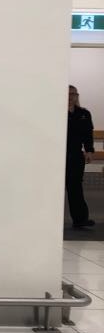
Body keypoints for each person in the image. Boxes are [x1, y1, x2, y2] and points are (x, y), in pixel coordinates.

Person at [66, 85, 95, 228]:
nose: (70, 96)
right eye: (68, 94)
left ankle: (80, 219)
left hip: (76, 155)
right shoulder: (56, 113)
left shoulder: (84, 114)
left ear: (77, 96)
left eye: (73, 94)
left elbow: (88, 134)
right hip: (59, 155)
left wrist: (89, 151)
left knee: (75, 187)